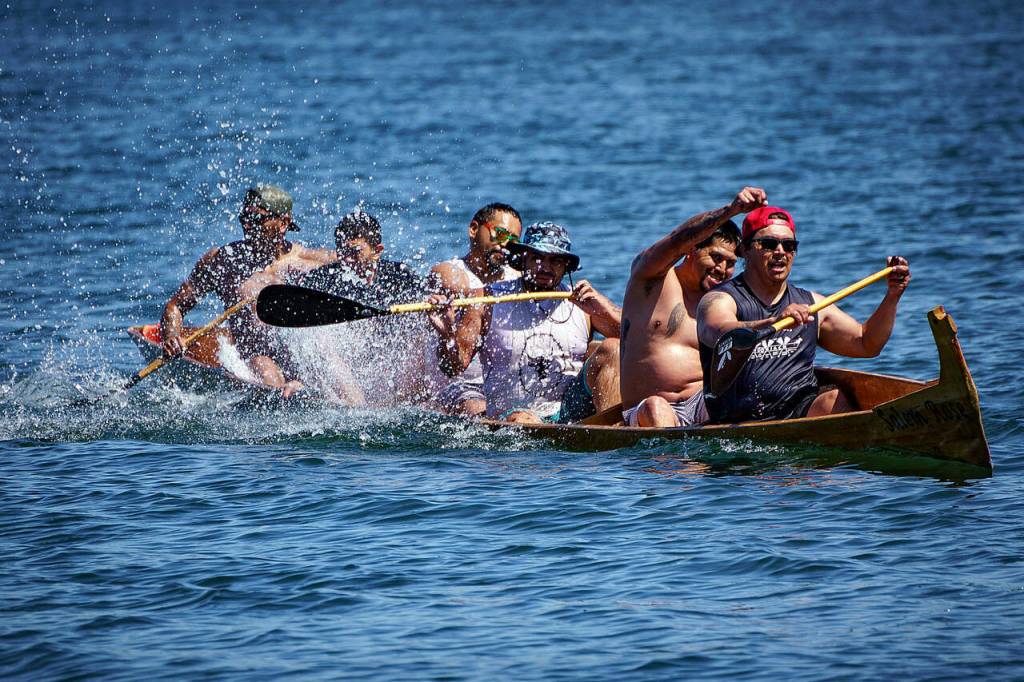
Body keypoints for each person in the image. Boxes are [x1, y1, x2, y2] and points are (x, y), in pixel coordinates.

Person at [696, 205, 911, 423]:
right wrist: (773, 322)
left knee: (833, 400)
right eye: (769, 244)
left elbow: (867, 344)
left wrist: (892, 296)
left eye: (788, 245)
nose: (780, 251)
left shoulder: (812, 304)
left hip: (799, 412)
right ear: (745, 250)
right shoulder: (720, 299)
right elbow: (719, 332)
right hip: (739, 421)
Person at [430, 222, 621, 424]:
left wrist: (604, 308)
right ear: (522, 259)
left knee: (614, 348)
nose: (545, 267)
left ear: (567, 267)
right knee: (522, 419)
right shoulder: (486, 299)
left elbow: (642, 340)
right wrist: (447, 334)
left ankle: (610, 432)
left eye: (555, 261)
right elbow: (453, 367)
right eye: (537, 258)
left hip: (568, 412)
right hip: (513, 416)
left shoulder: (582, 304)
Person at [160, 185, 333, 397]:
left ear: (284, 223)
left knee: (328, 359)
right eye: (244, 218)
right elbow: (175, 306)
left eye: (257, 219)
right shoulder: (223, 260)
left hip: (304, 357)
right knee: (267, 372)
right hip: (254, 358)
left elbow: (362, 270)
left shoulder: (311, 261)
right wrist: (171, 338)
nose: (248, 226)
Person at [619, 187, 767, 427]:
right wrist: (731, 211)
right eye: (716, 257)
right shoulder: (651, 277)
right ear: (691, 250)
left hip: (704, 403)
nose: (722, 269)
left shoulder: (722, 301)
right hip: (649, 410)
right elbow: (678, 238)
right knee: (657, 407)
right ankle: (682, 463)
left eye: (730, 263)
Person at [297, 208, 429, 406]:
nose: (347, 260)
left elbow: (426, 301)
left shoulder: (400, 275)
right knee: (318, 339)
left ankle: (406, 406)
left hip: (390, 357)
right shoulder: (323, 279)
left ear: (377, 251)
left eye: (355, 252)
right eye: (341, 252)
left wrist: (435, 301)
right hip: (347, 361)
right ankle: (358, 408)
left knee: (421, 335)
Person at [425, 203, 523, 416]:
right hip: (456, 385)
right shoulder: (449, 271)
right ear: (473, 229)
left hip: (503, 384)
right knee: (479, 408)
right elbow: (452, 281)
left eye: (513, 241)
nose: (505, 244)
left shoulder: (517, 279)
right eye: (500, 234)